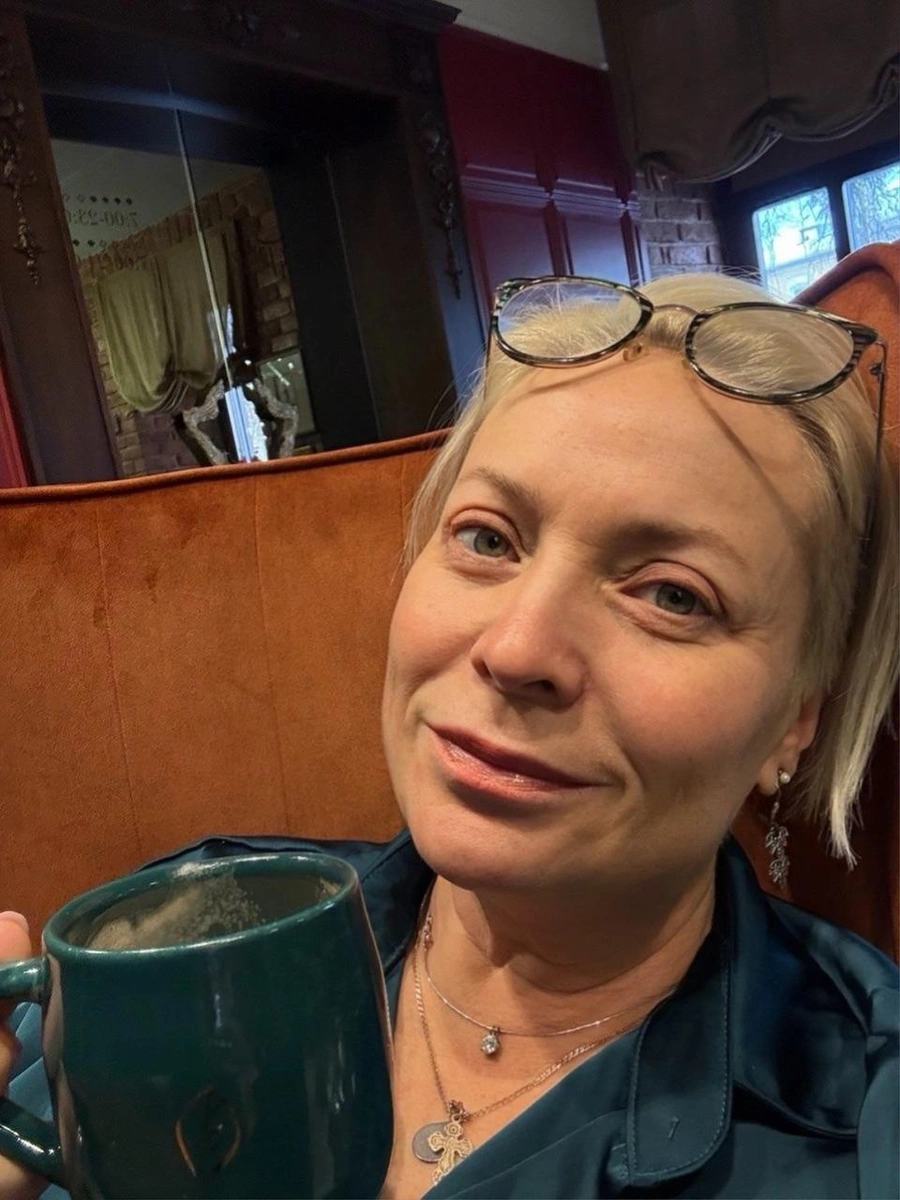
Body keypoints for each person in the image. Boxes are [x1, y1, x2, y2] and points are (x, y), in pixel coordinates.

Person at [1, 271, 898, 1200]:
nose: (515, 650)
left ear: (799, 716)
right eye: (488, 539)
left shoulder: (868, 1132)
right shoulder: (182, 931)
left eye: (672, 594)